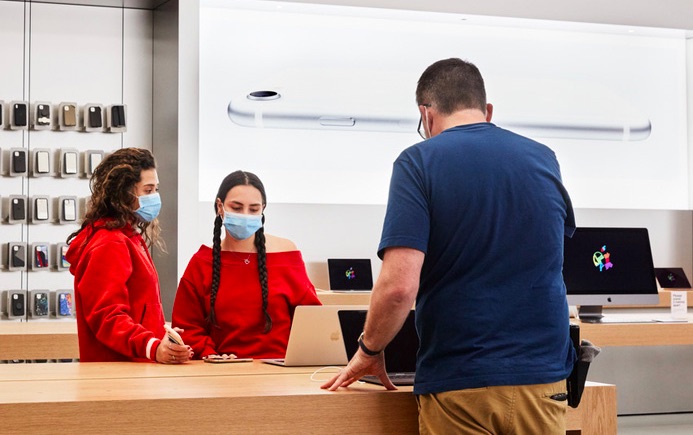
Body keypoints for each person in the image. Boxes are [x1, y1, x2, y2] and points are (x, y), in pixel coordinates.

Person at [322, 58, 577, 434]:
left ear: (426, 115)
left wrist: (369, 351)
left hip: (462, 379)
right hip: (543, 378)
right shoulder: (543, 158)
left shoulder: (418, 162)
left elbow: (398, 288)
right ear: (487, 110)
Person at [172, 170, 321, 359]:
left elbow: (312, 319)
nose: (245, 215)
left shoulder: (286, 255)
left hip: (281, 373)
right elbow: (188, 327)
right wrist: (211, 355)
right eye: (236, 207)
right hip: (220, 374)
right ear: (220, 206)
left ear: (263, 210)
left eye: (253, 209)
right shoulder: (202, 262)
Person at [66, 147, 193, 364]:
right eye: (148, 190)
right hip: (118, 375)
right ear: (124, 192)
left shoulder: (126, 237)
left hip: (132, 370)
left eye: (156, 189)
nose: (155, 197)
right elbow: (108, 316)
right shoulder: (110, 243)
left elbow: (139, 308)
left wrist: (161, 333)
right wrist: (152, 347)